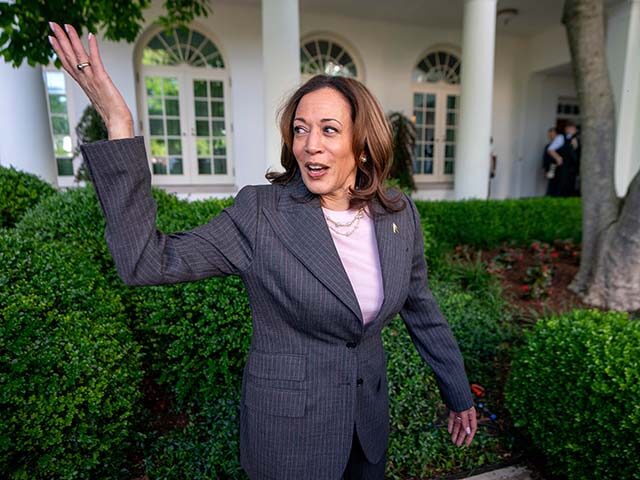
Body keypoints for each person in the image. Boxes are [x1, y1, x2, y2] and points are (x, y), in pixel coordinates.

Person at [47, 23, 477, 480]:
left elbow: (422, 308)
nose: (310, 145)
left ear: (364, 147)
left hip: (364, 429)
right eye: (300, 130)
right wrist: (119, 124)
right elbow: (145, 262)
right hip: (289, 438)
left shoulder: (397, 215)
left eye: (329, 130)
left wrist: (458, 394)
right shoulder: (261, 213)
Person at [542, 127, 561, 196]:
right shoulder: (548, 146)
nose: (550, 136)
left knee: (555, 183)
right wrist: (545, 169)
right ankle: (550, 196)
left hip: (555, 167)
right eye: (549, 135)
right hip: (550, 167)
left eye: (552, 134)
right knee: (551, 182)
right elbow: (545, 158)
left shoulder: (560, 146)